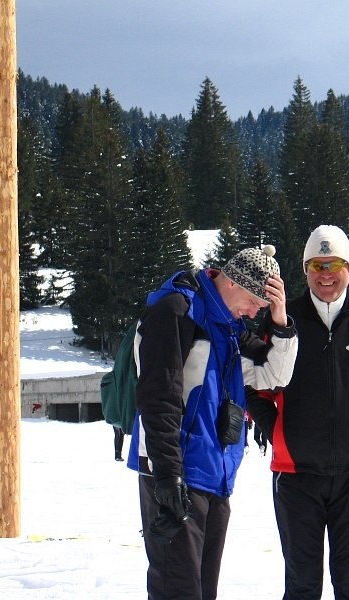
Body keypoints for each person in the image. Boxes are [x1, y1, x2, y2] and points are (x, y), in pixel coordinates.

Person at [247, 225, 349, 600]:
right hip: (296, 478)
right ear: (306, 270)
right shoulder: (283, 320)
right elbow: (254, 385)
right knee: (302, 588)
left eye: (333, 264)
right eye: (316, 265)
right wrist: (278, 432)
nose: (325, 274)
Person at [127, 245, 298, 600]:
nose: (254, 313)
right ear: (233, 282)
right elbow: (158, 398)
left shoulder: (231, 328)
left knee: (203, 591)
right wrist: (168, 477)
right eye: (254, 303)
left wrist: (281, 321)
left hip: (214, 475)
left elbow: (275, 375)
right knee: (177, 590)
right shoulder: (177, 311)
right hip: (175, 471)